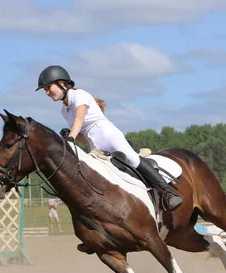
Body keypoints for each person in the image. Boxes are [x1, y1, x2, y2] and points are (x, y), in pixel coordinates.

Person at [36, 65, 182, 212]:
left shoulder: (79, 94)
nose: (47, 92)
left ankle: (168, 192)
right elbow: (82, 137)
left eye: (48, 87)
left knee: (133, 159)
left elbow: (80, 118)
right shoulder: (64, 110)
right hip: (94, 144)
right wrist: (70, 135)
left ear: (61, 83)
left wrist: (70, 139)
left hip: (107, 134)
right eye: (45, 90)